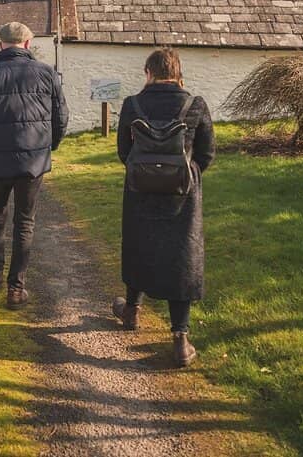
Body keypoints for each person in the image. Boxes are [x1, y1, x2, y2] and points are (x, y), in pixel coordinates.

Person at [112, 48, 215, 367]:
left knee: (139, 247)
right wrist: (183, 174)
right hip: (181, 195)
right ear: (178, 72)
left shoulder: (133, 104)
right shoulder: (195, 104)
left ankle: (131, 311)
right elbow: (207, 153)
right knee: (181, 255)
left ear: (149, 73)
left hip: (140, 190)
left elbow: (123, 151)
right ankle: (180, 340)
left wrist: (146, 172)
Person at [0, 21, 69, 309]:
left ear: (0, 45)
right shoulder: (47, 73)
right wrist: (49, 145)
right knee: (25, 221)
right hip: (33, 160)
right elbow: (61, 118)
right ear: (28, 44)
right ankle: (16, 287)